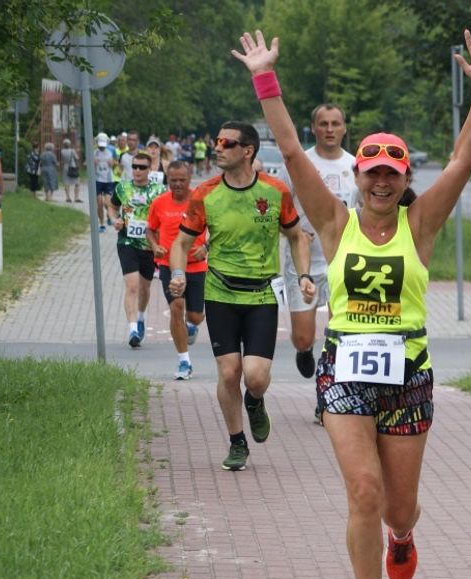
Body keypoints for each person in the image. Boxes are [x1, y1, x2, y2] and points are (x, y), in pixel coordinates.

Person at [232, 27, 471, 579]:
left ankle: (401, 538)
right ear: (359, 174)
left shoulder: (421, 222)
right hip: (345, 371)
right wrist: (264, 79)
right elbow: (294, 152)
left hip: (408, 374)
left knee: (398, 509)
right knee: (364, 492)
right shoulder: (333, 221)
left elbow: (461, 161)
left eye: (391, 172)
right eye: (371, 170)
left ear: (403, 177)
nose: (380, 181)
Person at [166, 121, 311, 473]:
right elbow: (182, 242)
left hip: (261, 294)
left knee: (255, 376)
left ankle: (255, 401)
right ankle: (237, 442)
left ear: (247, 151)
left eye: (226, 143)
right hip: (220, 294)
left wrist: (303, 275)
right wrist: (179, 274)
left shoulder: (276, 191)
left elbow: (296, 236)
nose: (217, 148)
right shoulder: (206, 194)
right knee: (229, 372)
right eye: (216, 142)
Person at [277, 103, 358, 418]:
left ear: (344, 128)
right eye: (323, 123)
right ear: (313, 128)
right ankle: (304, 349)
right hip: (303, 259)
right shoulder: (301, 163)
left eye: (335, 123)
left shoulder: (355, 166)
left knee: (340, 332)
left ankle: (326, 396)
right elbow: (281, 202)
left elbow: (367, 209)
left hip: (342, 258)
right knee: (303, 335)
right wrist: (294, 231)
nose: (329, 129)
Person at [148, 160, 206, 380]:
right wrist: (155, 246)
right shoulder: (159, 203)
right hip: (169, 266)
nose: (178, 184)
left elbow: (217, 230)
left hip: (197, 265)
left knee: (196, 316)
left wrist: (205, 247)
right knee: (176, 308)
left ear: (190, 178)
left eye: (182, 180)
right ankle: (184, 361)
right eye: (173, 181)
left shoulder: (200, 201)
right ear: (167, 180)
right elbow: (150, 230)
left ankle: (192, 326)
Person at [111, 151, 167, 347]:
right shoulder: (123, 187)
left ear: (149, 169)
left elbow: (165, 214)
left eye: (142, 167)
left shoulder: (159, 191)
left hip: (149, 246)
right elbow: (112, 206)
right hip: (127, 242)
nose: (137, 170)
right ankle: (133, 329)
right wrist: (114, 219)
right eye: (134, 166)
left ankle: (141, 317)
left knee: (145, 287)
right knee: (132, 286)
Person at [94, 133, 117, 233]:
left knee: (107, 203)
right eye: (100, 145)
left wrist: (112, 163)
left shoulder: (111, 151)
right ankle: (102, 223)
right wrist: (92, 163)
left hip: (109, 180)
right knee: (99, 203)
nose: (101, 147)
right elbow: (87, 164)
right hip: (98, 180)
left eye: (103, 145)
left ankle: (109, 215)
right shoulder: (94, 152)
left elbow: (116, 163)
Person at [59, 138, 82, 202]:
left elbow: (61, 160)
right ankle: (76, 197)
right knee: (77, 183)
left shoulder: (62, 151)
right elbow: (77, 158)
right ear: (69, 144)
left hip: (65, 167)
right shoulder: (72, 150)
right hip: (73, 167)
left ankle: (68, 197)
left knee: (66, 183)